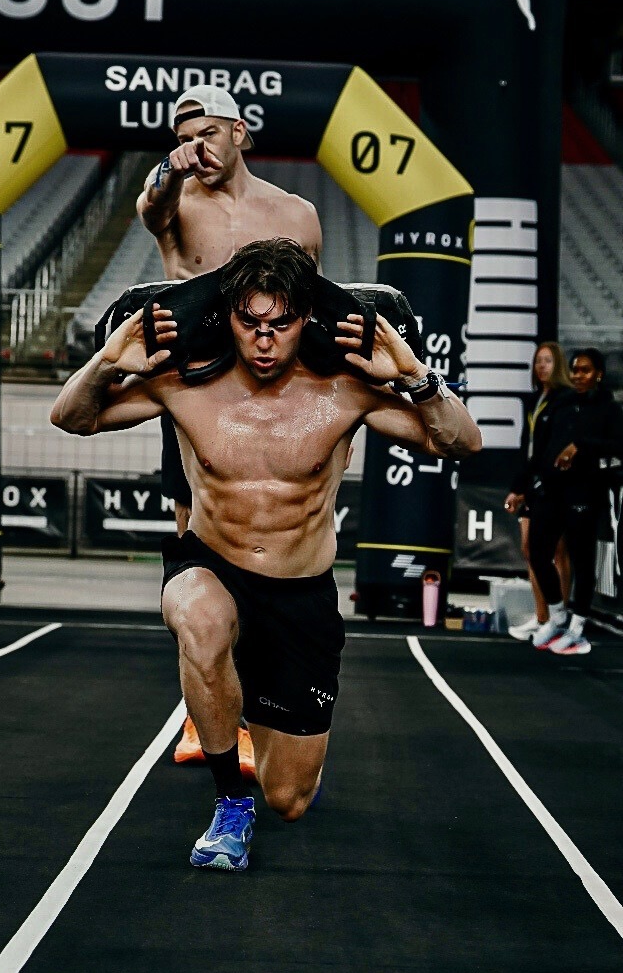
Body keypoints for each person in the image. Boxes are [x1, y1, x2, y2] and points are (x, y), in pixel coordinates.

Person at [51, 239, 482, 870]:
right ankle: (230, 802)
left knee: (288, 797)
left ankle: (246, 721)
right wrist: (107, 363)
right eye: (250, 322)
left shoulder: (347, 389)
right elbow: (73, 417)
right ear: (228, 318)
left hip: (299, 594)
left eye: (280, 323)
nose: (263, 339)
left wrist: (415, 377)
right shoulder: (182, 382)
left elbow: (461, 441)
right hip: (211, 563)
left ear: (306, 319)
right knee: (199, 618)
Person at [136, 84, 323, 772]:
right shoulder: (173, 202)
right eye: (184, 135)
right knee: (199, 551)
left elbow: (312, 313)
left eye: (208, 132)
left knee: (272, 548)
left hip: (278, 398)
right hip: (195, 396)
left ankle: (266, 701)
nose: (197, 146)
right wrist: (170, 168)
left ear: (240, 131)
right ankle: (207, 707)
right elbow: (151, 203)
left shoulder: (294, 214)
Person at [525, 347, 623, 655]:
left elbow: (619, 445)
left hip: (585, 491)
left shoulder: (609, 409)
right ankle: (556, 616)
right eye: (575, 370)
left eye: (585, 370)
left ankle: (578, 627)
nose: (579, 376)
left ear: (599, 374)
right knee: (538, 552)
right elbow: (540, 447)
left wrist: (581, 445)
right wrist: (525, 487)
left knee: (582, 561)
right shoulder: (561, 404)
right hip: (550, 490)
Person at [504, 343, 572, 640]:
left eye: (547, 361)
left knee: (557, 552)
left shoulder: (565, 400)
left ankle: (561, 616)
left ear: (558, 365)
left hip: (556, 486)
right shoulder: (534, 400)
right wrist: (519, 486)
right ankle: (542, 615)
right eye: (537, 361)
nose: (541, 366)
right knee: (530, 550)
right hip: (532, 483)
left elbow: (552, 448)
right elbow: (528, 448)